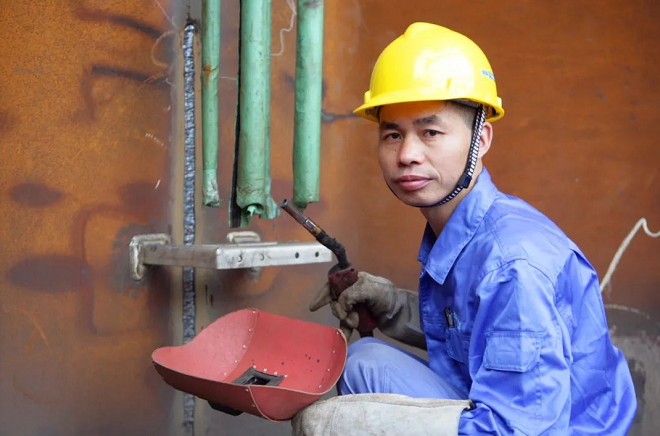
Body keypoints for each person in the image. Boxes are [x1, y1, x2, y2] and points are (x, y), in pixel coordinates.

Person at [292, 22, 637, 436]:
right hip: (504, 406)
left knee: (352, 407)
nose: (407, 154)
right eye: (393, 134)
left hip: (548, 429)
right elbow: (479, 333)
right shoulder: (463, 229)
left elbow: (518, 429)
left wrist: (358, 424)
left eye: (431, 132)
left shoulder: (512, 266)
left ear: (481, 139)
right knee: (363, 361)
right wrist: (395, 307)